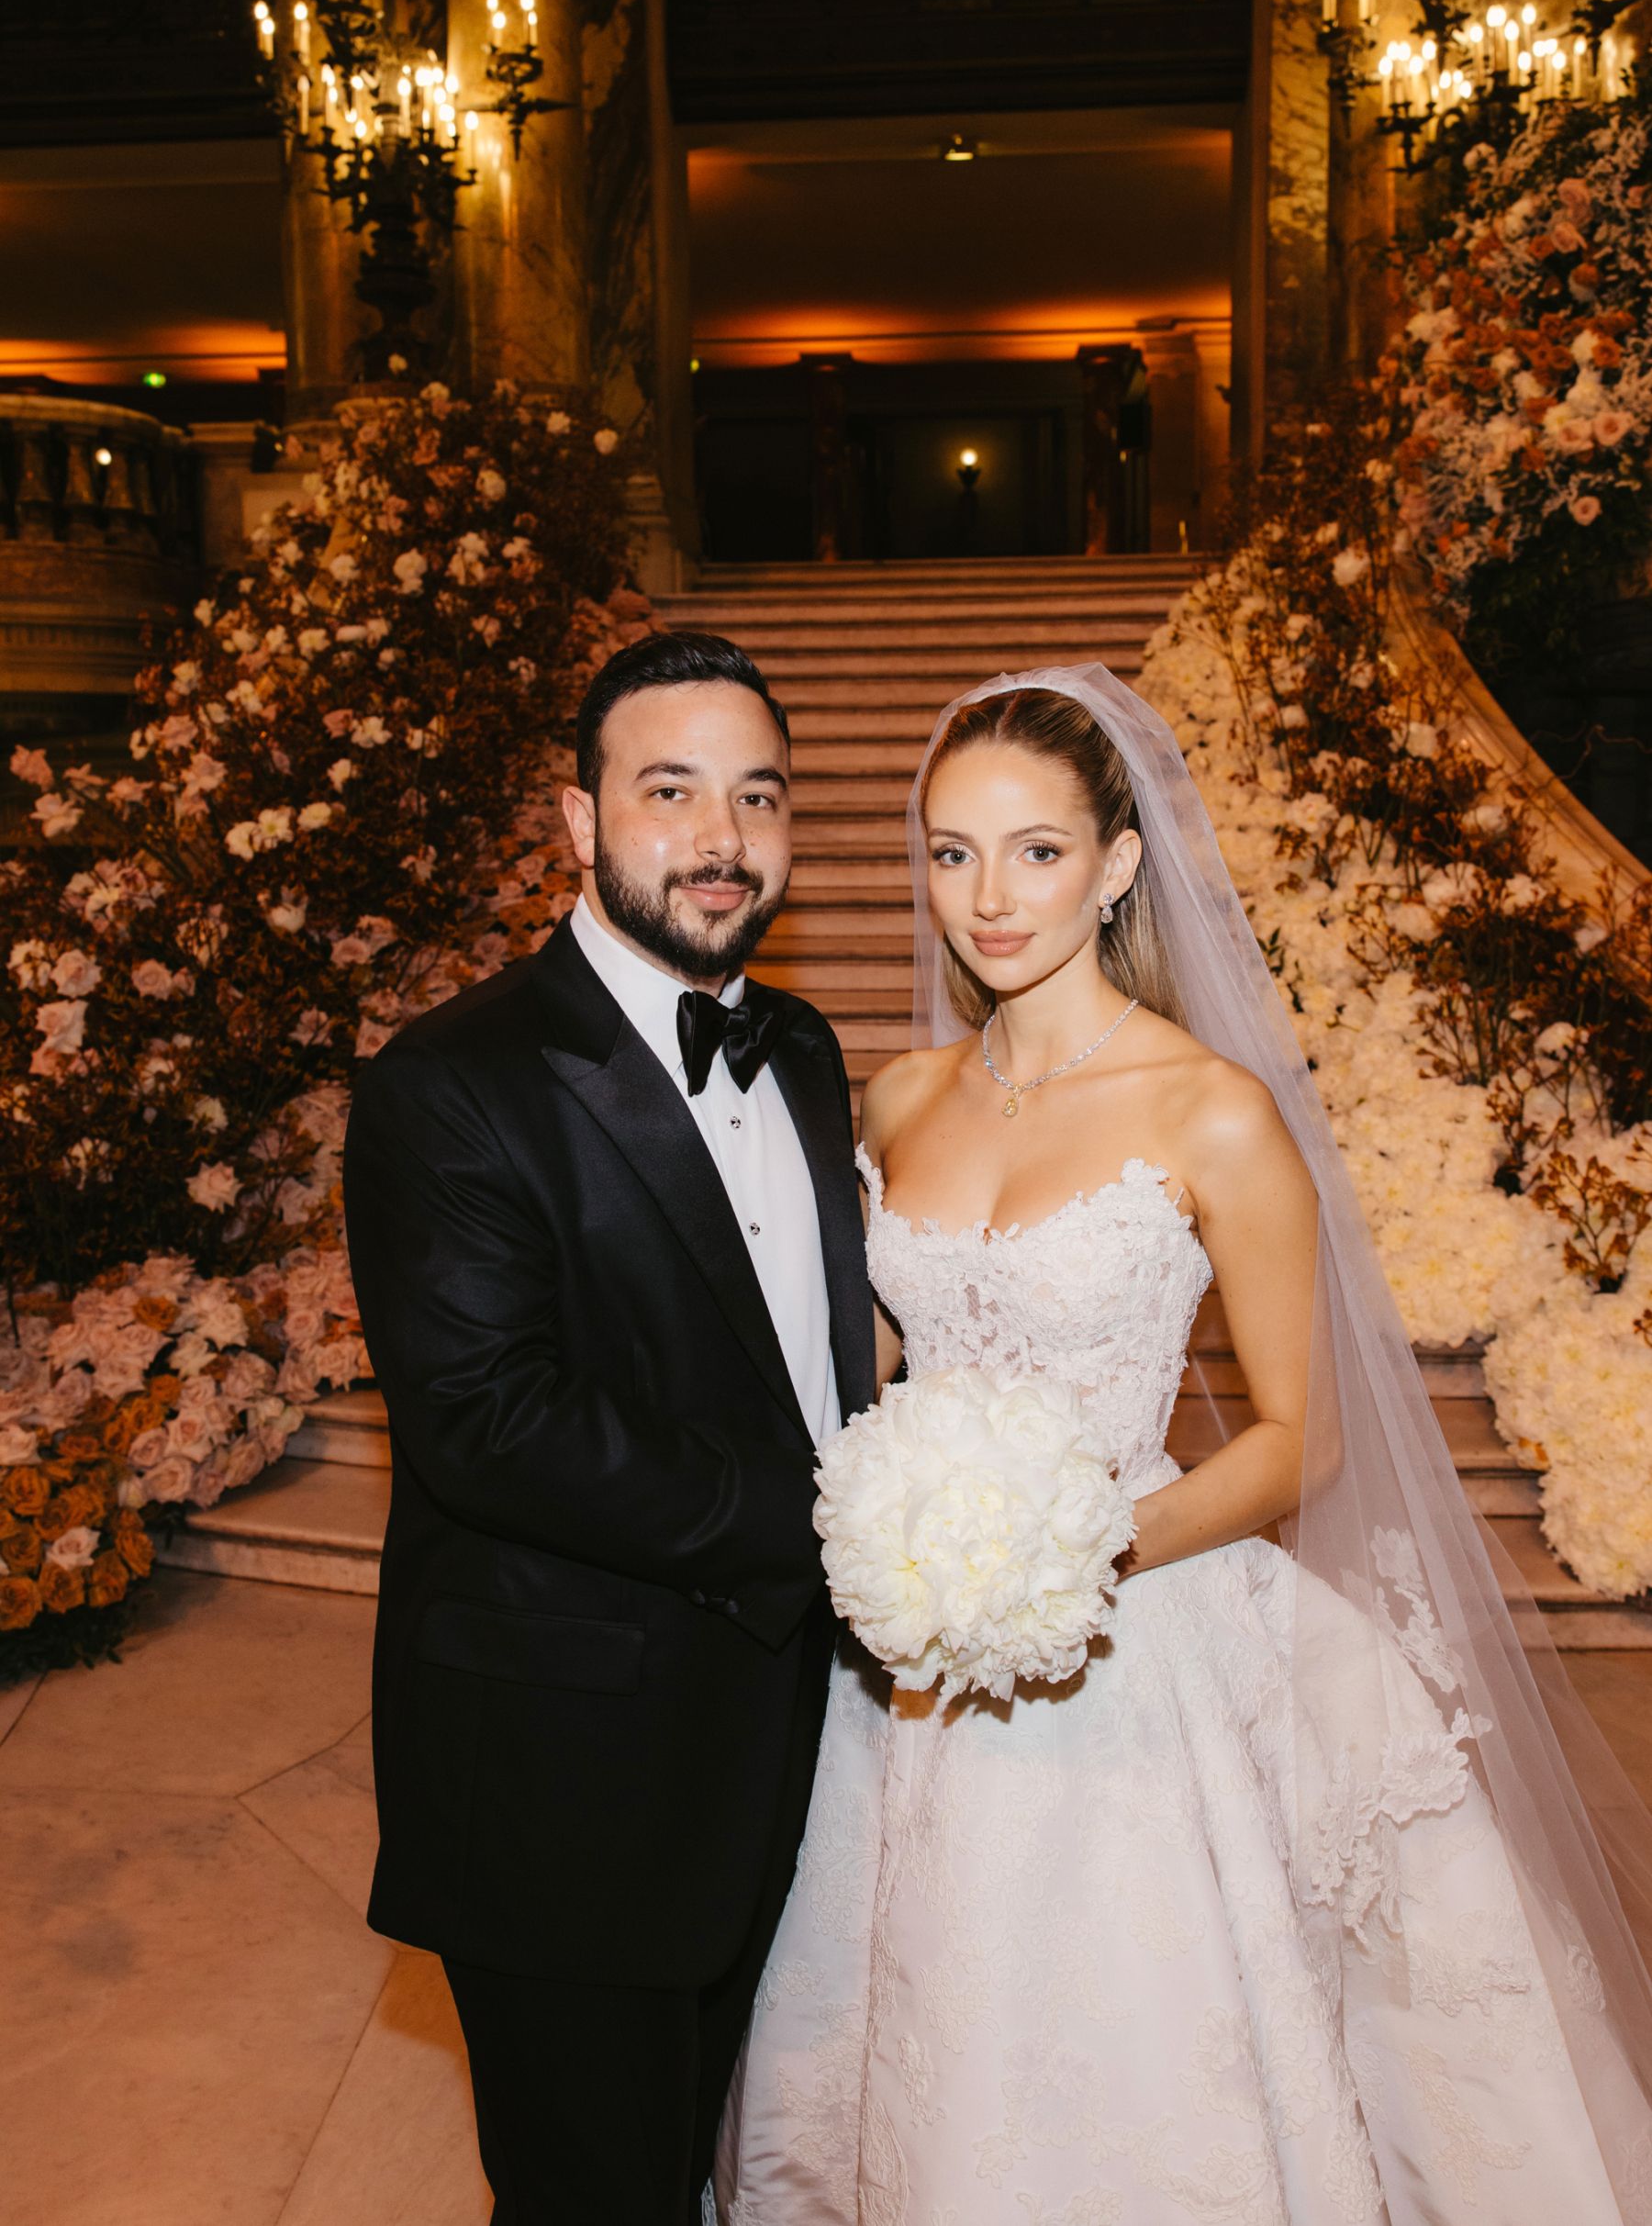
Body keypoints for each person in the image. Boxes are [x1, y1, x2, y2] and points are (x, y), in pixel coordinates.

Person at [718, 666, 1652, 2222]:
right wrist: (891, 1536)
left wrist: (1064, 1555)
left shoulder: (1211, 1112)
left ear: (1119, 862)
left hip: (1134, 1629)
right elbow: (859, 1380)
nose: (989, 896)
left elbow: (1301, 1441)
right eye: (952, 853)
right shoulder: (896, 1099)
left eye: (1034, 850)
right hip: (903, 1656)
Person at [343, 631, 876, 2226]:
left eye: (758, 796)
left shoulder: (805, 1052)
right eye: (671, 792)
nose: (722, 840)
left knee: (722, 2159)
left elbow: (808, 1348)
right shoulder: (453, 1084)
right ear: (578, 823)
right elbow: (489, 1422)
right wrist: (843, 1519)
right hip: (564, 1771)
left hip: (783, 1729)